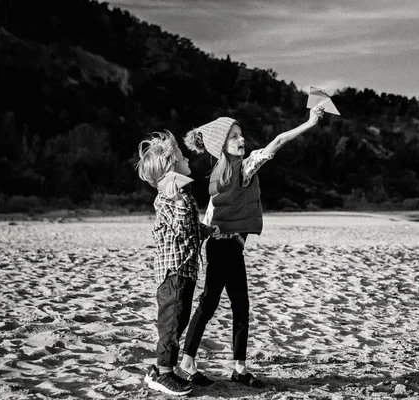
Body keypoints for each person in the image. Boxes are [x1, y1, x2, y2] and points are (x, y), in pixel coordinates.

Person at [178, 106, 325, 388]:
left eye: (241, 135)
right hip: (224, 250)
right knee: (210, 305)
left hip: (227, 248)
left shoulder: (218, 173)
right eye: (234, 137)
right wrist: (308, 123)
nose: (241, 140)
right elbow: (278, 142)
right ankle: (188, 362)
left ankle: (239, 368)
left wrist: (211, 234)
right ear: (222, 144)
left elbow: (210, 215)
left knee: (239, 306)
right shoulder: (243, 168)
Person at [135, 130, 218, 396]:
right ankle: (165, 372)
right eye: (182, 159)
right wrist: (179, 201)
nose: (188, 162)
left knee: (178, 321)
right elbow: (180, 228)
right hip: (174, 273)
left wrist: (205, 230)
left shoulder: (184, 197)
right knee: (170, 324)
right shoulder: (168, 200)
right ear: (171, 169)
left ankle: (161, 369)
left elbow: (189, 229)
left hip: (186, 270)